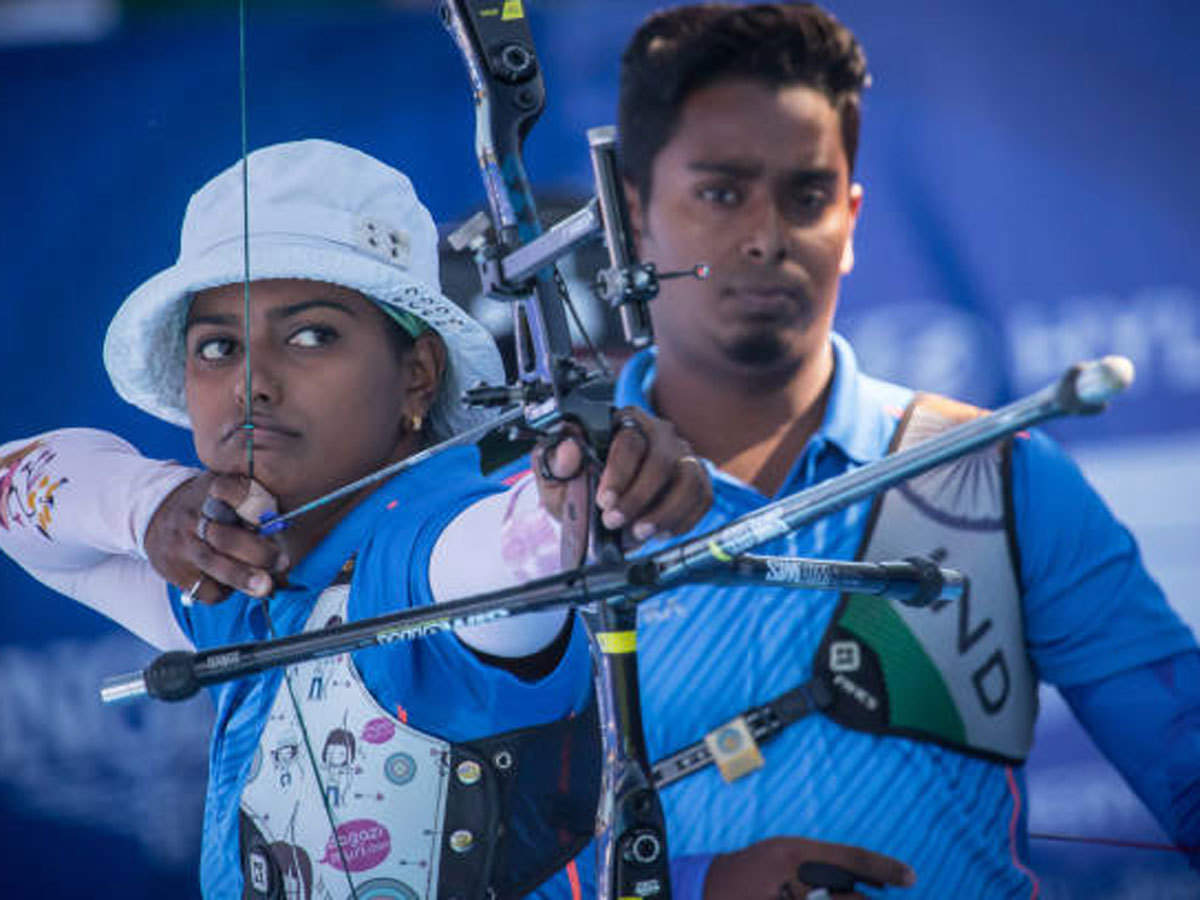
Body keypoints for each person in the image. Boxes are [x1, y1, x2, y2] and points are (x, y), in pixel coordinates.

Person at [569, 3, 1197, 897]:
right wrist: (696, 881)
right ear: (631, 218)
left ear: (853, 218)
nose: (767, 236)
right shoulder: (532, 512)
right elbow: (446, 856)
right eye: (720, 192)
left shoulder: (997, 476)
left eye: (808, 196)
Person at [0, 137, 720, 899]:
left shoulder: (433, 541)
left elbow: (522, 548)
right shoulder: (239, 583)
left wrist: (591, 489)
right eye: (217, 346)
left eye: (312, 336)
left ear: (418, 374)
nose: (253, 384)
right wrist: (149, 506)